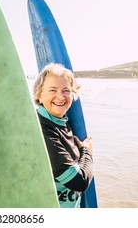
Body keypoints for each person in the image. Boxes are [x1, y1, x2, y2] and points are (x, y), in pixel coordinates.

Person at [33, 63, 93, 208]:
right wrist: (87, 151)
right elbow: (80, 182)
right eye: (52, 90)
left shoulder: (61, 121)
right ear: (39, 96)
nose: (60, 97)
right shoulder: (43, 132)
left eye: (66, 90)